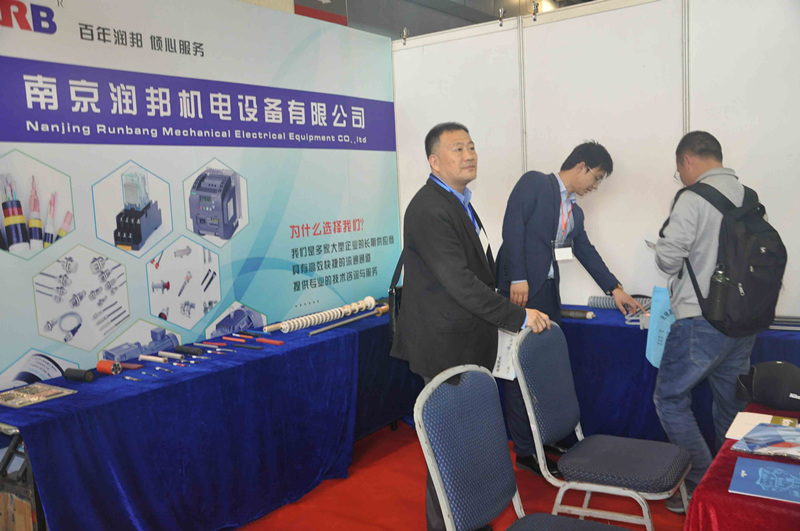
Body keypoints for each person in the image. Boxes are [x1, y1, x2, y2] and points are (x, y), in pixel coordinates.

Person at [390, 122, 550, 531]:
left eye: (472, 146)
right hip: (444, 346)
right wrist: (517, 315)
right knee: (448, 446)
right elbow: (460, 282)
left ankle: (470, 519)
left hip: (465, 339)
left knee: (467, 442)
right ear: (434, 161)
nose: (469, 155)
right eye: (457, 148)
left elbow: (478, 272)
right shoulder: (429, 208)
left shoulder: (458, 201)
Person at [495, 141, 644, 478]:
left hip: (548, 293)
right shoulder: (535, 183)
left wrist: (615, 289)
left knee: (546, 368)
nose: (596, 185)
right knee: (518, 372)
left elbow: (585, 251)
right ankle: (526, 450)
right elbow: (512, 227)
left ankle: (546, 437)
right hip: (519, 293)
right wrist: (517, 277)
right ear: (580, 166)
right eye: (597, 177)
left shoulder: (574, 212)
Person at [654, 131, 756, 513]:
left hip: (700, 321)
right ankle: (727, 488)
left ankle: (699, 483)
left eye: (679, 170)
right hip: (743, 322)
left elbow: (668, 260)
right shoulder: (749, 197)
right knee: (730, 406)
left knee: (669, 399)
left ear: (687, 161)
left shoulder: (692, 197)